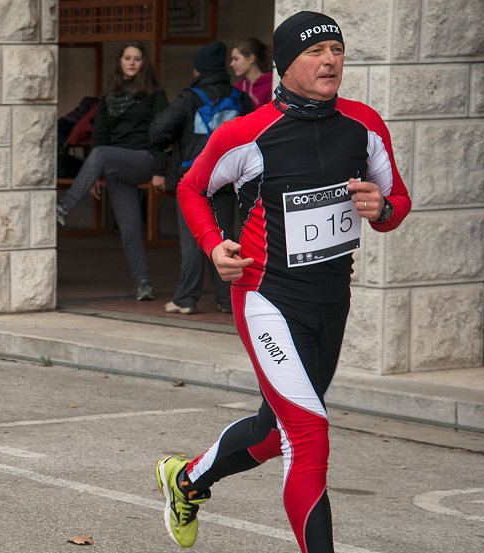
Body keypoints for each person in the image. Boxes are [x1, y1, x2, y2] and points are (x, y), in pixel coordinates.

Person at [155, 11, 411, 553]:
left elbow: (396, 204)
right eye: (316, 52)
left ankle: (187, 480)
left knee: (276, 433)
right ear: (286, 64)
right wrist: (213, 245)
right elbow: (191, 187)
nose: (330, 60)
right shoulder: (246, 133)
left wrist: (383, 207)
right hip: (265, 298)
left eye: (337, 50)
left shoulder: (364, 124)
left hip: (331, 302)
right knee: (308, 436)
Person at [56, 41, 168, 301]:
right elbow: (100, 136)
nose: (132, 62)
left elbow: (164, 135)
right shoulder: (109, 96)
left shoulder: (155, 94)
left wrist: (159, 169)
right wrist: (93, 174)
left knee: (101, 154)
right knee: (130, 228)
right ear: (120, 61)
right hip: (115, 165)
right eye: (127, 58)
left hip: (143, 160)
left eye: (137, 58)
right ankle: (143, 284)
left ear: (144, 63)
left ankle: (63, 208)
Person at [149, 41, 253, 315]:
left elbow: (157, 130)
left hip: (194, 180)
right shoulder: (240, 98)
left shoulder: (189, 98)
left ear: (198, 70)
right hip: (228, 180)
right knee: (225, 238)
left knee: (194, 240)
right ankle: (227, 300)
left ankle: (186, 299)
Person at [229, 37, 273, 109]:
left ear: (251, 58)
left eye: (236, 59)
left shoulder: (271, 85)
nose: (231, 64)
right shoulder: (237, 87)